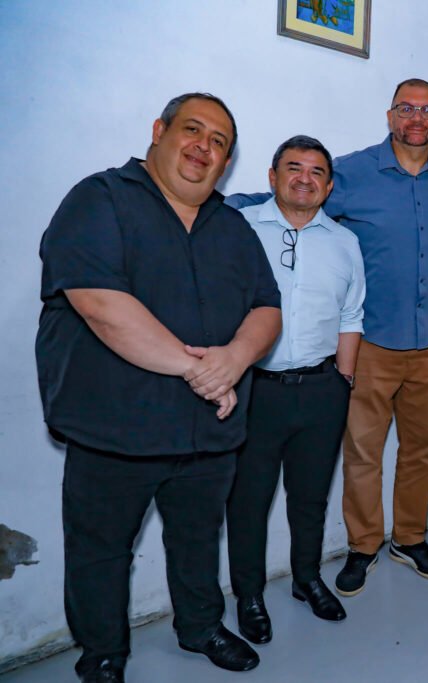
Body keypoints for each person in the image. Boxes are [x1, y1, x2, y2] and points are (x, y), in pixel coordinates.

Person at [227, 79, 428, 596]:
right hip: (371, 341)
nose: (417, 118)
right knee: (363, 452)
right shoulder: (351, 172)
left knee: (422, 449)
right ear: (390, 116)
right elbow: (290, 196)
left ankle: (410, 538)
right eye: (407, 108)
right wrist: (208, 203)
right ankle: (363, 545)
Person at [36, 93, 282, 682]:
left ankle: (200, 627)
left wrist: (236, 358)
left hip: (209, 432)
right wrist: (202, 370)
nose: (204, 147)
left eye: (219, 142)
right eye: (193, 130)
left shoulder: (232, 225)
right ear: (159, 130)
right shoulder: (100, 199)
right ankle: (103, 654)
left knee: (198, 540)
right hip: (116, 427)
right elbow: (100, 304)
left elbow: (267, 307)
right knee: (101, 551)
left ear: (226, 162)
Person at [226, 135, 365, 644]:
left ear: (328, 186)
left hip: (322, 389)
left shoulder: (345, 242)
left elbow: (352, 313)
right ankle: (249, 595)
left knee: (309, 498)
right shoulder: (240, 229)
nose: (304, 179)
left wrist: (343, 380)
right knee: (248, 501)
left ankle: (307, 578)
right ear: (272, 176)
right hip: (254, 390)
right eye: (294, 168)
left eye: (316, 172)